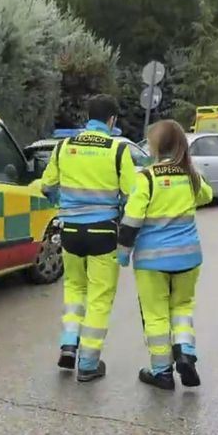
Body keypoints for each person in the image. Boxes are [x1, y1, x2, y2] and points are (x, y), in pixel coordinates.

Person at [41, 94, 136, 382]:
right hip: (103, 233)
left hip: (70, 232)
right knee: (99, 297)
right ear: (112, 120)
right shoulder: (118, 151)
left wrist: (64, 202)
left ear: (88, 117)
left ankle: (69, 344)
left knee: (74, 290)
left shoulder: (64, 147)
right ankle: (89, 363)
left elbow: (47, 186)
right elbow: (132, 196)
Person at [117, 120, 213, 390]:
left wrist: (123, 254)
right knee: (182, 308)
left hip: (152, 260)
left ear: (156, 146)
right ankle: (184, 352)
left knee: (156, 314)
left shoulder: (146, 178)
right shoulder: (190, 176)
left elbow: (132, 219)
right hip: (188, 258)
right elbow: (207, 196)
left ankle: (161, 373)